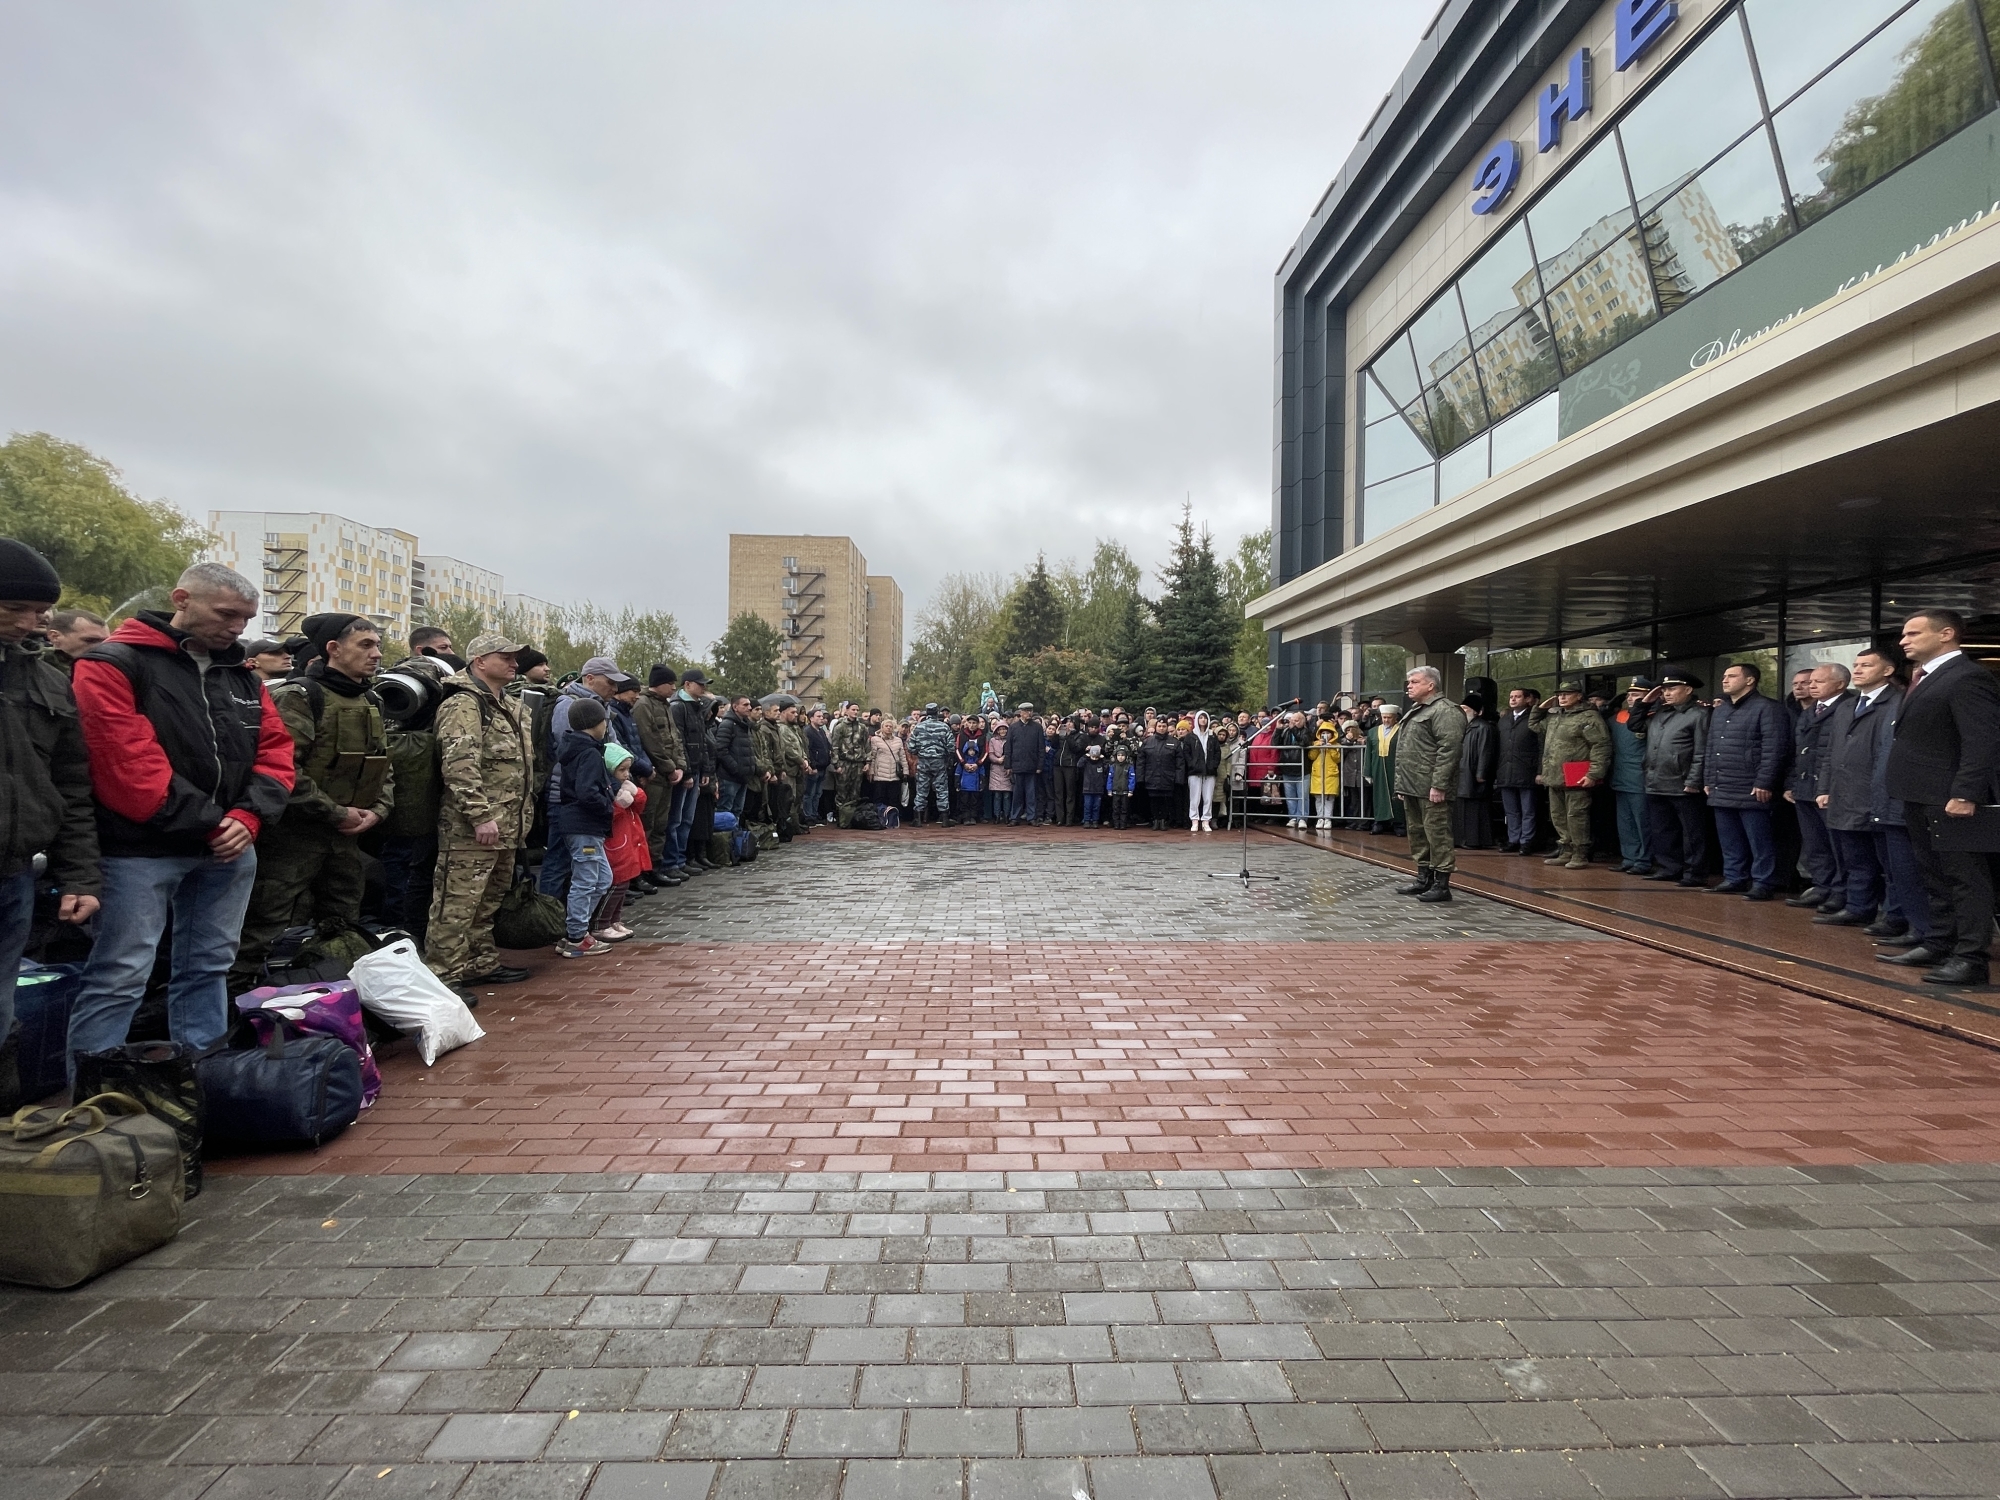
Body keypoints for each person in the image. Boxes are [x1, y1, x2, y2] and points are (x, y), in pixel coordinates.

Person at [68, 562, 295, 1064]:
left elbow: (277, 751)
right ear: (181, 599)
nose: (238, 627)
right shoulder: (114, 663)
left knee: (210, 965)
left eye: (246, 618)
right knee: (122, 972)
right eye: (227, 614)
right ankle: (93, 1095)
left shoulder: (240, 674)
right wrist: (221, 822)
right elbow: (123, 762)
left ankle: (201, 1077)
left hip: (228, 846)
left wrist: (249, 818)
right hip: (140, 849)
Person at [227, 612, 401, 994]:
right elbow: (284, 768)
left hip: (346, 839)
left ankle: (336, 1006)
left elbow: (383, 765)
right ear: (334, 650)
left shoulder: (371, 697)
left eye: (378, 645)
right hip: (294, 839)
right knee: (264, 929)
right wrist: (335, 813)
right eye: (366, 645)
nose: (376, 654)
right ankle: (240, 1014)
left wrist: (378, 811)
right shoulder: (300, 695)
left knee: (342, 927)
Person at [0, 541, 100, 1109]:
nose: (34, 621)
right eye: (16, 607)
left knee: (3, 1012)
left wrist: (80, 875)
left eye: (41, 610)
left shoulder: (45, 681)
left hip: (15, 875)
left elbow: (71, 790)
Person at [1882, 609, 2000, 986]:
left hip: (1950, 797)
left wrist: (1966, 792)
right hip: (1918, 795)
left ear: (1947, 634)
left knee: (1965, 878)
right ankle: (1940, 942)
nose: (1904, 640)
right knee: (1933, 874)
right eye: (1904, 634)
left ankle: (1970, 958)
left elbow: (1982, 741)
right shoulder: (1925, 678)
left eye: (1914, 633)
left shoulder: (1968, 677)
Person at [425, 634, 536, 994]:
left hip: (508, 823)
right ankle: (444, 974)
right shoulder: (464, 704)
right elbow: (459, 765)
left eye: (515, 658)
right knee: (456, 905)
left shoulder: (510, 704)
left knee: (487, 901)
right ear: (479, 661)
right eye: (504, 656)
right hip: (472, 829)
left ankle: (479, 962)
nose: (514, 663)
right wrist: (478, 814)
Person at [1817, 650, 1900, 928]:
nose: (1858, 670)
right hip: (1844, 794)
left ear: (1887, 671)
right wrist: (1824, 787)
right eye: (1856, 665)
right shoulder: (1845, 706)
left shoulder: (1896, 702)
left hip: (1877, 795)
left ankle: (1894, 915)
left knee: (1890, 863)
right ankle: (1858, 907)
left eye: (1866, 665)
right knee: (1855, 859)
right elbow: (1831, 752)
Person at [1704, 662, 1787, 899]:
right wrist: (1709, 778)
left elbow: (1774, 748)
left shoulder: (1767, 708)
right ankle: (1734, 877)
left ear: (1750, 680)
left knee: (1759, 839)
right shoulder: (1720, 711)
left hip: (1751, 785)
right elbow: (1712, 748)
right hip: (1722, 784)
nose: (1724, 680)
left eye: (1731, 676)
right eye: (1724, 675)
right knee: (1729, 838)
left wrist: (1765, 782)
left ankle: (1763, 882)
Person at [1392, 665, 1466, 901]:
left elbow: (1449, 750)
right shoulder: (1417, 710)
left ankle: (1442, 885)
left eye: (1414, 682)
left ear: (1430, 685)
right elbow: (1406, 749)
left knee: (1437, 834)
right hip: (1413, 784)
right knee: (1417, 833)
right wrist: (1401, 785)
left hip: (1431, 786)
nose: (1409, 686)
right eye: (1409, 682)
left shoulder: (1445, 711)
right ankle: (1424, 878)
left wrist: (1439, 785)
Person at [551, 697, 617, 957]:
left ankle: (577, 929)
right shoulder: (589, 752)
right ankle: (577, 936)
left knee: (603, 878)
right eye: (604, 721)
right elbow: (587, 792)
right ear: (596, 724)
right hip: (584, 824)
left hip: (584, 824)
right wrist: (608, 806)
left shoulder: (577, 748)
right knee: (587, 879)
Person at [1785, 663, 1853, 911]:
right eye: (1810, 682)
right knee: (1815, 844)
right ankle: (1821, 886)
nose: (1811, 686)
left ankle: (1840, 892)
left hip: (1830, 789)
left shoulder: (1848, 708)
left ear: (1840, 684)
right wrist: (1791, 782)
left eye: (1819, 682)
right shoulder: (1809, 710)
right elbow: (1797, 750)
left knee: (1837, 846)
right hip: (1804, 786)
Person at [1634, 673, 1708, 886]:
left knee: (1692, 833)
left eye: (1672, 689)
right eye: (1664, 690)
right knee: (1662, 829)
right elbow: (1635, 725)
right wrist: (1645, 701)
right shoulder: (1658, 713)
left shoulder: (1699, 714)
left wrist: (1694, 781)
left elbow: (1701, 751)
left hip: (1682, 782)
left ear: (1688, 690)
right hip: (1656, 780)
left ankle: (1695, 872)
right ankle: (1669, 867)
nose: (1667, 693)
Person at [1533, 680, 1610, 871]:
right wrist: (1540, 707)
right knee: (1558, 816)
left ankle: (1580, 853)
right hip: (1554, 775)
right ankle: (1565, 849)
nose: (1562, 697)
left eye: (1567, 693)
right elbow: (1534, 725)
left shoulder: (1588, 717)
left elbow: (1601, 746)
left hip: (1576, 775)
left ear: (1579, 696)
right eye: (1560, 694)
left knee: (1576, 815)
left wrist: (1594, 773)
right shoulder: (1556, 716)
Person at [593, 742, 647, 942]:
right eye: (621, 770)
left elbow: (640, 806)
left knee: (625, 882)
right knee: (616, 883)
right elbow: (606, 815)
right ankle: (602, 923)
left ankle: (615, 919)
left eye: (628, 770)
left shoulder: (625, 785)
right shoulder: (606, 791)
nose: (626, 774)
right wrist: (619, 805)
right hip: (616, 842)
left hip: (629, 839)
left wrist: (635, 793)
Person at [667, 668, 714, 873]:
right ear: (687, 684)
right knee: (676, 819)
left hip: (695, 769)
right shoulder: (678, 707)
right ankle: (674, 861)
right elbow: (679, 741)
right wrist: (685, 771)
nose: (703, 688)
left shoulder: (697, 707)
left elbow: (702, 741)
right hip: (685, 770)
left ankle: (681, 859)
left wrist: (705, 769)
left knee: (687, 819)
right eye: (700, 684)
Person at [1607, 679, 1653, 874]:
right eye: (1629, 694)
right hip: (1620, 777)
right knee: (1625, 823)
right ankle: (1629, 857)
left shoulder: (1652, 717)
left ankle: (1644, 860)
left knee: (1643, 822)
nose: (1630, 697)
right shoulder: (1618, 717)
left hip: (1640, 778)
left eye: (1636, 694)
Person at [1494, 687, 1542, 853]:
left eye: (1517, 697)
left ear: (1527, 699)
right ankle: (1513, 839)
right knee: (1511, 810)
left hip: (1526, 770)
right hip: (1505, 770)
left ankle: (1526, 841)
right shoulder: (1504, 720)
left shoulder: (1533, 719)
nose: (1513, 699)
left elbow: (1541, 747)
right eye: (1511, 696)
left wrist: (1540, 770)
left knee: (1528, 810)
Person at [1452, 697, 1497, 849]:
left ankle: (1474, 840)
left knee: (1475, 809)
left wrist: (1481, 773)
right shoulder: (1463, 727)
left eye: (1465, 709)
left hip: (1474, 775)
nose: (1462, 712)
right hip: (1462, 773)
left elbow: (1486, 752)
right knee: (1461, 807)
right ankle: (1461, 839)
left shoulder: (1484, 727)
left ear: (1477, 712)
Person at [910, 703, 954, 826]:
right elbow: (951, 746)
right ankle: (945, 818)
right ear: (937, 712)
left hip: (923, 761)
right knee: (942, 790)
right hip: (939, 761)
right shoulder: (944, 727)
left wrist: (920, 752)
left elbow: (911, 747)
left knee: (921, 790)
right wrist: (944, 755)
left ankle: (918, 818)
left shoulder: (919, 727)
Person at [1362, 702, 1401, 835]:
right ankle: (1379, 822)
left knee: (1396, 797)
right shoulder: (1373, 732)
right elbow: (1369, 752)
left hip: (1395, 768)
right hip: (1377, 768)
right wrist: (1367, 771)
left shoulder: (1402, 731)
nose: (1386, 720)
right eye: (1384, 717)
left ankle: (1399, 824)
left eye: (1389, 717)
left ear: (1395, 717)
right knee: (1378, 796)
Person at [1004, 702, 1045, 825]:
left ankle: (1031, 817)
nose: (1030, 713)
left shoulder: (1037, 727)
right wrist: (1008, 765)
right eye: (1027, 711)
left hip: (1032, 766)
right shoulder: (1013, 727)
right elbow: (1008, 748)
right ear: (1021, 712)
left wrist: (1039, 765)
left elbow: (1041, 748)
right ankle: (1014, 817)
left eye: (1031, 710)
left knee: (1031, 793)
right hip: (1017, 766)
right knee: (1017, 794)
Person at [829, 701, 870, 825]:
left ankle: (852, 818)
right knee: (842, 791)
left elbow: (866, 745)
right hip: (844, 762)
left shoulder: (862, 727)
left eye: (857, 710)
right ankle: (842, 818)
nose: (855, 712)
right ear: (846, 711)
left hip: (858, 763)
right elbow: (834, 746)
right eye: (853, 709)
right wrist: (836, 764)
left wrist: (867, 762)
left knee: (855, 791)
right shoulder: (840, 726)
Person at [1184, 710, 1221, 831]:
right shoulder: (1191, 736)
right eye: (1201, 718)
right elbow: (1187, 753)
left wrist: (1213, 765)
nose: (1203, 720)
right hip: (1195, 772)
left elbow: (1217, 753)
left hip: (1209, 772)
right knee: (1194, 798)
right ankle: (1194, 820)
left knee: (1208, 797)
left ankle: (1206, 820)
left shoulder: (1212, 736)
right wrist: (1192, 765)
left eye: (1205, 718)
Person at [866, 713, 908, 818]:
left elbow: (902, 757)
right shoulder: (875, 740)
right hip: (880, 775)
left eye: (890, 726)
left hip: (894, 775)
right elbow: (872, 756)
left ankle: (892, 818)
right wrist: (871, 771)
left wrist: (905, 771)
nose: (889, 728)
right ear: (882, 727)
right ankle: (880, 817)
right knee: (879, 798)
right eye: (886, 726)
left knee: (893, 799)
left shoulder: (898, 741)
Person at [44, 608, 108, 675]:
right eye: (91, 640)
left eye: (106, 641)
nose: (101, 646)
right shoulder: (41, 672)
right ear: (55, 637)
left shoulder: (106, 669)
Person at [802, 707, 831, 826]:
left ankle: (814, 814)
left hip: (823, 766)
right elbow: (808, 750)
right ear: (811, 718)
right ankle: (808, 816)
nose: (821, 719)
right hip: (814, 767)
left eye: (822, 716)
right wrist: (812, 765)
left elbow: (826, 746)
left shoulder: (821, 731)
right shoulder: (808, 731)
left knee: (817, 793)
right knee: (809, 793)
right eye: (818, 716)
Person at [1308, 722, 1340, 831]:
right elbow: (1311, 756)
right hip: (1317, 775)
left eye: (1328, 733)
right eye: (1323, 733)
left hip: (1331, 775)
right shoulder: (1316, 743)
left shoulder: (1336, 745)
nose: (1325, 735)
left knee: (1329, 798)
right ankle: (1320, 818)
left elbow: (1338, 759)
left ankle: (1328, 819)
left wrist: (1330, 748)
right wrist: (1316, 746)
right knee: (1318, 799)